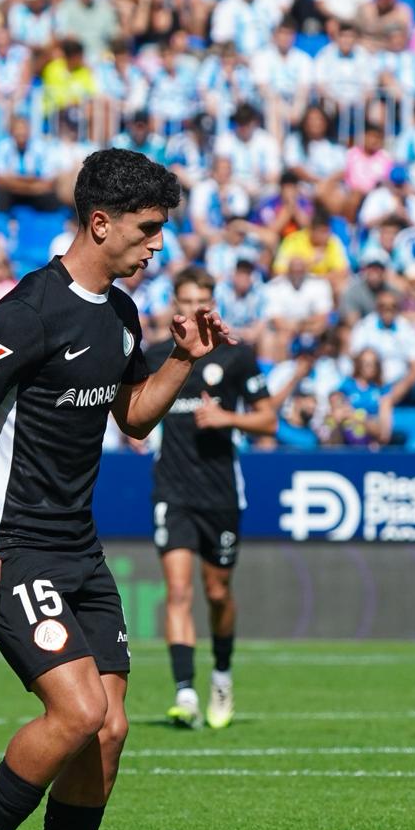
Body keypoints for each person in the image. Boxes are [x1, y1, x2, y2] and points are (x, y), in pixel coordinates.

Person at [0, 149, 233, 830]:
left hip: (78, 548)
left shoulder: (121, 313)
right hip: (11, 546)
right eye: (148, 228)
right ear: (100, 223)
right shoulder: (27, 311)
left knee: (110, 729)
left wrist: (183, 360)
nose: (158, 245)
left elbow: (132, 417)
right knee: (77, 709)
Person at [145, 267, 277, 730]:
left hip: (220, 492)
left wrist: (227, 419)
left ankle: (222, 676)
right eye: (184, 301)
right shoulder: (156, 355)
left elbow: (269, 421)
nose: (192, 309)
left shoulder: (235, 357)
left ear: (212, 305)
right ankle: (185, 694)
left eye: (200, 301)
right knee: (178, 592)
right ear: (174, 304)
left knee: (217, 593)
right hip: (172, 490)